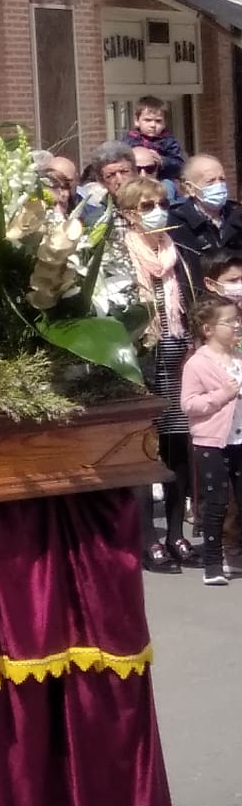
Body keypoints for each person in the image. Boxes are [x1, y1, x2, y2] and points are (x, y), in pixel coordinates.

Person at [117, 175, 202, 573]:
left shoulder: (178, 252)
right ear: (129, 215)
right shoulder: (120, 254)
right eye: (147, 207)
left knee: (177, 452)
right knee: (144, 452)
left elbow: (194, 304)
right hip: (142, 365)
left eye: (160, 204)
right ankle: (147, 540)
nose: (157, 213)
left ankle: (175, 535)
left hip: (179, 362)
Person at [180, 298, 242, 587]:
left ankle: (234, 556)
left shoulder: (239, 356)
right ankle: (212, 564)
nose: (236, 325)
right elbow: (189, 404)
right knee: (216, 501)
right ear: (208, 328)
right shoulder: (198, 363)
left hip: (239, 437)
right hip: (212, 441)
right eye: (229, 322)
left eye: (237, 320)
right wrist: (222, 395)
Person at [171, 155, 242, 258]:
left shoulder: (237, 215)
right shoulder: (176, 223)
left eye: (222, 179)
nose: (219, 185)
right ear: (190, 188)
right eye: (210, 181)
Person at [126, 97, 186, 185]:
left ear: (164, 123)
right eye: (148, 120)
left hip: (161, 180)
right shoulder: (129, 140)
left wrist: (162, 161)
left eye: (158, 121)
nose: (153, 125)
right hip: (136, 180)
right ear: (137, 121)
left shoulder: (168, 141)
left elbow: (179, 164)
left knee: (168, 186)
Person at [75, 140, 137, 225]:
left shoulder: (155, 211)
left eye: (124, 172)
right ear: (101, 182)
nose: (120, 180)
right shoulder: (96, 221)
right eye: (111, 175)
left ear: (135, 172)